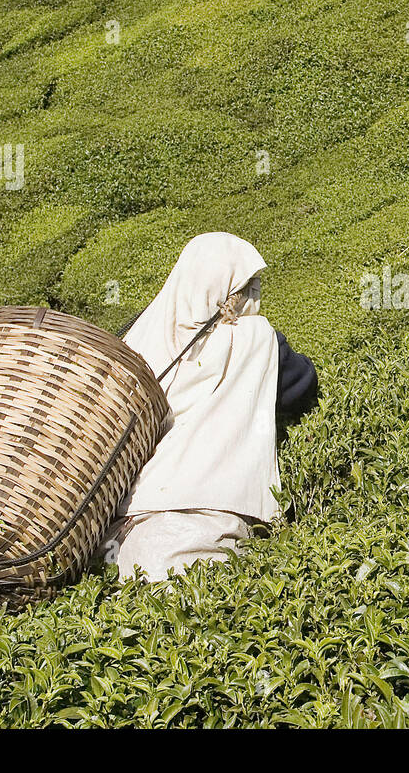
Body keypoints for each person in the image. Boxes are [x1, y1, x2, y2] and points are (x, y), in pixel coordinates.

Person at [97, 232, 318, 582]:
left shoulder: (134, 340)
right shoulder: (254, 340)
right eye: (253, 287)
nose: (257, 297)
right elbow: (302, 384)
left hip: (121, 531)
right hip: (205, 521)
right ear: (231, 293)